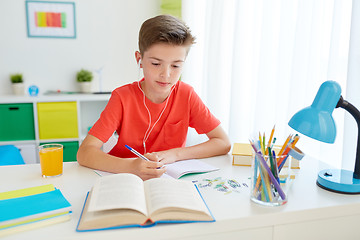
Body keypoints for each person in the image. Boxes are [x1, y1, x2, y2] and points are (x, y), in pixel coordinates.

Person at [77, 15, 231, 180]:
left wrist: (175, 154)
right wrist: (131, 166)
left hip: (166, 181)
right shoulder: (122, 97)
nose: (166, 75)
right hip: (123, 179)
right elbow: (85, 153)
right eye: (156, 64)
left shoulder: (186, 95)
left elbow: (223, 142)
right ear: (140, 60)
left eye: (176, 65)